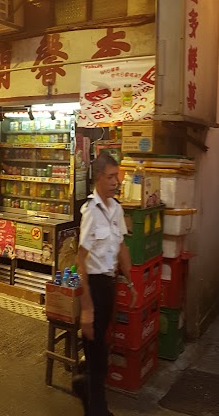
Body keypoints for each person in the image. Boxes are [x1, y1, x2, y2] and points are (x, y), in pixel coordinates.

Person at [76, 152, 134, 416]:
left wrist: (130, 281)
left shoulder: (116, 209)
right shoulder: (91, 213)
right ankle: (97, 410)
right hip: (94, 286)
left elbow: (121, 246)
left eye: (116, 176)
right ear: (99, 178)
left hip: (109, 284)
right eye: (110, 177)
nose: (115, 182)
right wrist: (87, 309)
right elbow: (81, 260)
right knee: (97, 356)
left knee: (99, 349)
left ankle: (84, 387)